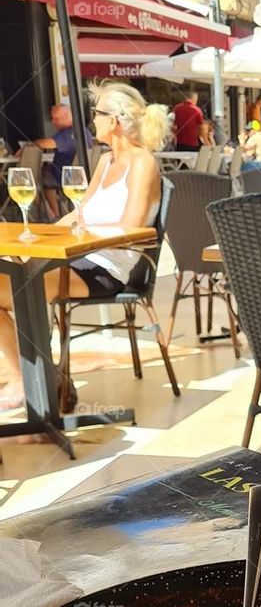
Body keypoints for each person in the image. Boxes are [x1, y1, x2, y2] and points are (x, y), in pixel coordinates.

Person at [0, 82, 170, 412]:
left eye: (97, 113)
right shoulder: (106, 161)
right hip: (79, 258)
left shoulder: (143, 163)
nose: (93, 120)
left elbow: (133, 227)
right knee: (13, 272)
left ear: (115, 120)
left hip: (109, 268)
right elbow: (80, 214)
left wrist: (80, 234)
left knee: (19, 287)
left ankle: (31, 381)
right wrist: (37, 235)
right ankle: (33, 375)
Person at [37, 104, 94, 219]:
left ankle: (54, 215)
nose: (53, 122)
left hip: (67, 176)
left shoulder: (71, 132)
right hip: (84, 175)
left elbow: (48, 144)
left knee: (39, 177)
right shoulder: (84, 131)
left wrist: (31, 144)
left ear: (67, 116)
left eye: (56, 118)